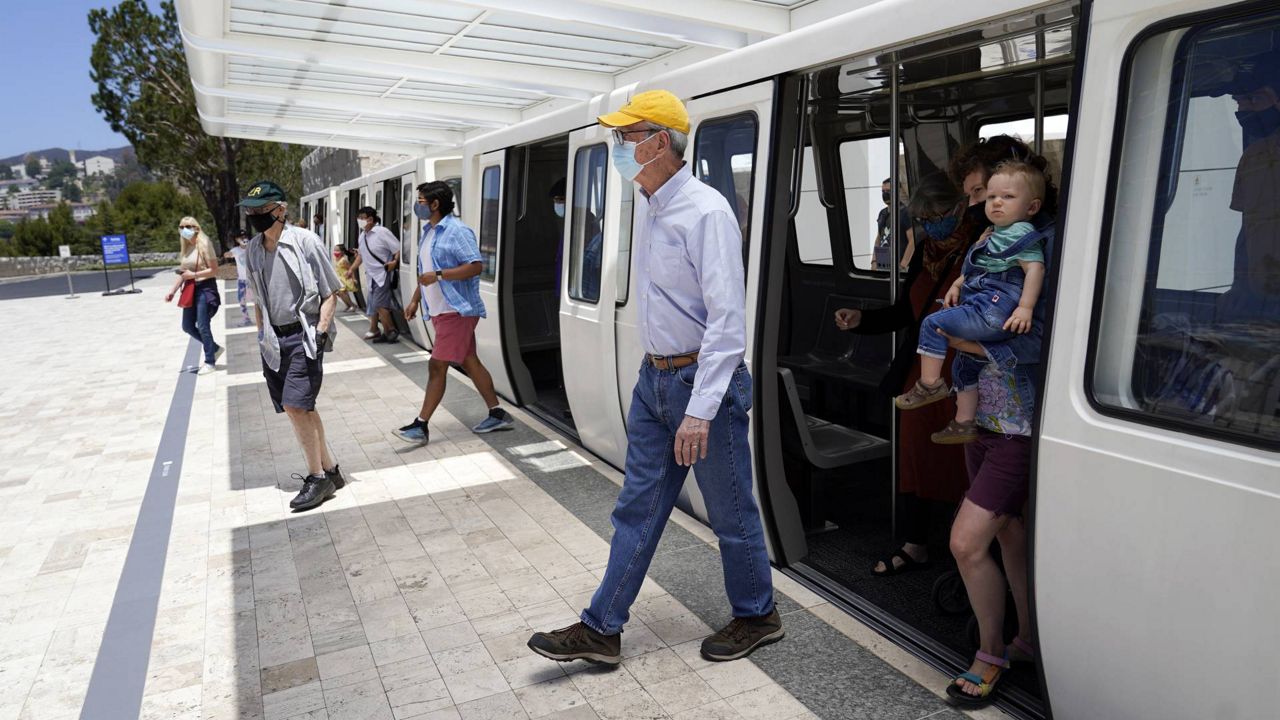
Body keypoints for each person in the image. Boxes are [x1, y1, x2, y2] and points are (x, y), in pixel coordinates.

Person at [528, 90, 780, 665]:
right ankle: (602, 628)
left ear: (660, 141)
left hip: (701, 385)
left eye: (627, 137)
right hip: (656, 381)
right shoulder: (650, 203)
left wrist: (701, 409)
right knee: (636, 507)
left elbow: (727, 323)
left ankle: (758, 614)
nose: (620, 148)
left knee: (731, 511)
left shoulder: (707, 211)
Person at [834, 135, 1055, 575]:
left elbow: (1022, 323)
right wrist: (862, 319)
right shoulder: (933, 255)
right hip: (927, 364)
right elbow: (908, 312)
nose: (931, 223)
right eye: (922, 218)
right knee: (917, 457)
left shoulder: (993, 248)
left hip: (969, 367)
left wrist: (964, 343)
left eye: (938, 214)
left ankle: (971, 552)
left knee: (961, 462)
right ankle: (922, 541)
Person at [895, 160, 1047, 444]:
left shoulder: (1022, 234)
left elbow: (1034, 269)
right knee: (962, 367)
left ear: (1032, 207)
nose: (994, 203)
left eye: (1006, 197)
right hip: (983, 304)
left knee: (933, 323)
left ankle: (930, 384)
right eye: (990, 197)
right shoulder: (992, 235)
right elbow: (977, 269)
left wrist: (1025, 307)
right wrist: (956, 284)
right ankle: (963, 421)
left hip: (994, 307)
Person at [941, 336, 1037, 708]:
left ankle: (991, 652)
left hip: (1015, 435)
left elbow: (1035, 345)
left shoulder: (1034, 285)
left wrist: (958, 341)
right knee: (1009, 532)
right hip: (980, 427)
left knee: (966, 544)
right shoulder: (980, 279)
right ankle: (1027, 638)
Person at [239, 180, 346, 511]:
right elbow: (258, 297)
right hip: (274, 340)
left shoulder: (305, 242)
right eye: (251, 211)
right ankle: (330, 469)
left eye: (262, 210)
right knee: (304, 406)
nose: (255, 216)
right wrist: (261, 334)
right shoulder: (254, 249)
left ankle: (317, 478)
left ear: (281, 209)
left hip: (304, 334)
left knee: (295, 405)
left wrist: (321, 331)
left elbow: (331, 292)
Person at [393, 181, 514, 443]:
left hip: (456, 311)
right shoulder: (430, 232)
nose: (418, 206)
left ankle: (420, 426)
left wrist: (439, 275)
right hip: (439, 311)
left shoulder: (457, 231)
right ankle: (497, 413)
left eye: (422, 201)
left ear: (435, 204)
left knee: (437, 366)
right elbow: (424, 272)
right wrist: (415, 299)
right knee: (469, 360)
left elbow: (475, 266)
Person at [164, 216, 223, 374]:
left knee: (203, 325)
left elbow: (214, 270)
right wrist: (172, 291)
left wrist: (194, 275)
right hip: (191, 288)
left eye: (188, 226)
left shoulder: (204, 243)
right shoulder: (186, 248)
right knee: (187, 326)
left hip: (205, 287)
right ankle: (214, 348)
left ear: (196, 227)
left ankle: (210, 361)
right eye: (181, 226)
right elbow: (183, 274)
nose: (185, 229)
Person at [346, 206, 401, 343]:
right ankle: (383, 331)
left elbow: (398, 249)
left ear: (370, 219)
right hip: (371, 277)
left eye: (362, 218)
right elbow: (361, 256)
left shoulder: (382, 232)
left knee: (379, 305)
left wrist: (394, 262)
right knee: (376, 305)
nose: (359, 221)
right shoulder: (362, 236)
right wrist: (351, 269)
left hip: (383, 274)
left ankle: (391, 331)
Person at [223, 229, 253, 326]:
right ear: (237, 240)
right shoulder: (236, 250)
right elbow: (227, 255)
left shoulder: (252, 248)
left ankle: (263, 319)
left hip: (252, 280)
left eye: (245, 237)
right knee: (241, 300)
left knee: (256, 300)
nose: (244, 239)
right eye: (241, 238)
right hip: (241, 280)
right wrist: (227, 254)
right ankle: (246, 319)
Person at [331, 243, 359, 312]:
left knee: (342, 293)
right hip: (340, 279)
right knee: (340, 293)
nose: (335, 252)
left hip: (345, 279)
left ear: (342, 252)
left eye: (337, 250)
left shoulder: (344, 260)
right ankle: (349, 305)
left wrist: (354, 279)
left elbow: (350, 269)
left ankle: (352, 305)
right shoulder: (337, 260)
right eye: (334, 250)